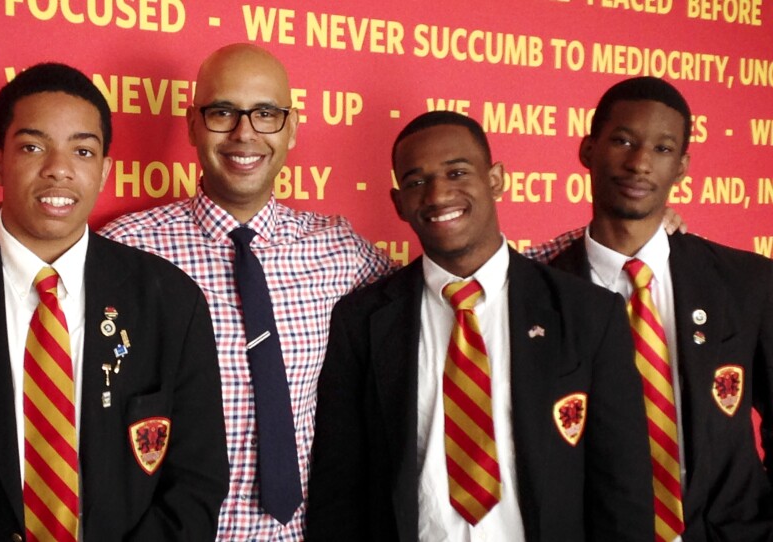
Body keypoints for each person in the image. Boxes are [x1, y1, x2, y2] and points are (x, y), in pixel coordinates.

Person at [0, 44, 395, 539]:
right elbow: (42, 248)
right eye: (222, 112)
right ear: (192, 124)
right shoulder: (128, 249)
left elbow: (423, 300)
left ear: (291, 128)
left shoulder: (341, 252)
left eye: (266, 114)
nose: (245, 133)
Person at [0, 63, 229, 540]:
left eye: (83, 150)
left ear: (105, 169)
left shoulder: (170, 301)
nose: (59, 168)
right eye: (33, 147)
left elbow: (196, 482)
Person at [306, 110, 654, 541]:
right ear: (399, 204)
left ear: (496, 180)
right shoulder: (362, 321)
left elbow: (624, 487)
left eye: (457, 172)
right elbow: (338, 487)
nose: (437, 194)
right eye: (416, 181)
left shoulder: (588, 313)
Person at [540, 76, 773, 542]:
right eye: (623, 140)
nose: (640, 162)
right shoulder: (541, 297)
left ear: (683, 166)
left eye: (663, 149)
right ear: (588, 150)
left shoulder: (748, 283)